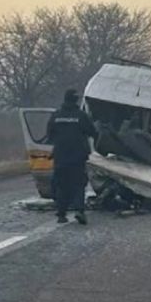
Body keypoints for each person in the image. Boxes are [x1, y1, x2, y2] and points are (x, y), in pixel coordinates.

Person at [46, 89, 98, 224]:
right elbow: (93, 132)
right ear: (76, 100)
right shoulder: (81, 116)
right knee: (78, 184)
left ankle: (61, 214)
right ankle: (79, 211)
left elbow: (49, 135)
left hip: (60, 156)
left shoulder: (56, 116)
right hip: (78, 156)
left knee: (61, 185)